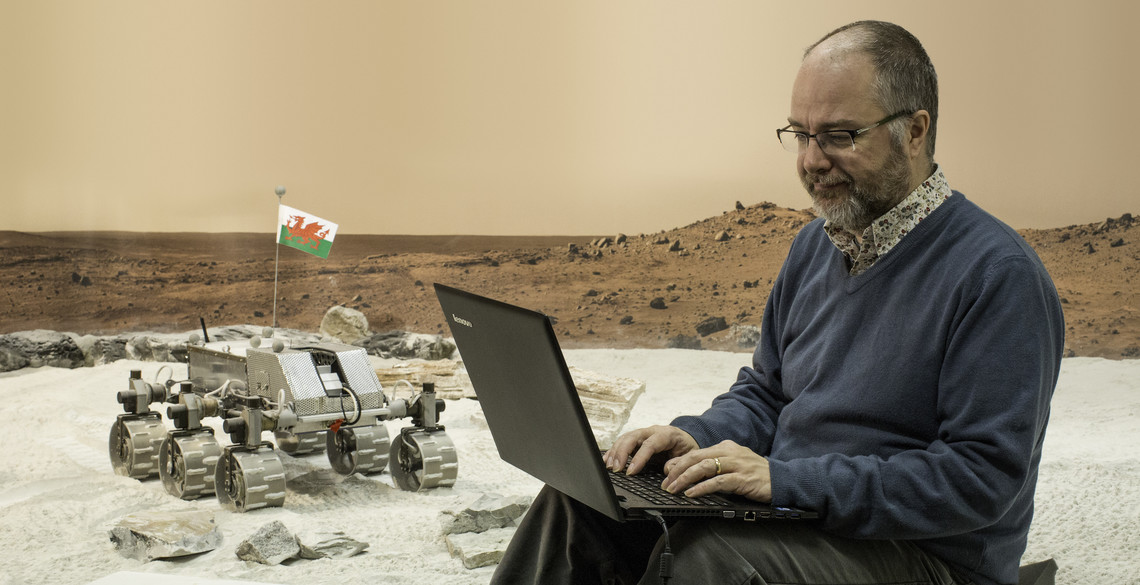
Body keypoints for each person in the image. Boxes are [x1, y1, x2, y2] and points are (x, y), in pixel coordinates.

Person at [491, 20, 1064, 585]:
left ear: (915, 132)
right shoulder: (814, 247)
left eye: (839, 136)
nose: (812, 161)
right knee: (582, 504)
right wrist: (698, 437)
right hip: (794, 516)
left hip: (928, 558)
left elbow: (981, 478)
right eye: (801, 134)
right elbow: (768, 394)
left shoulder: (998, 275)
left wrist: (789, 482)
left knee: (716, 559)